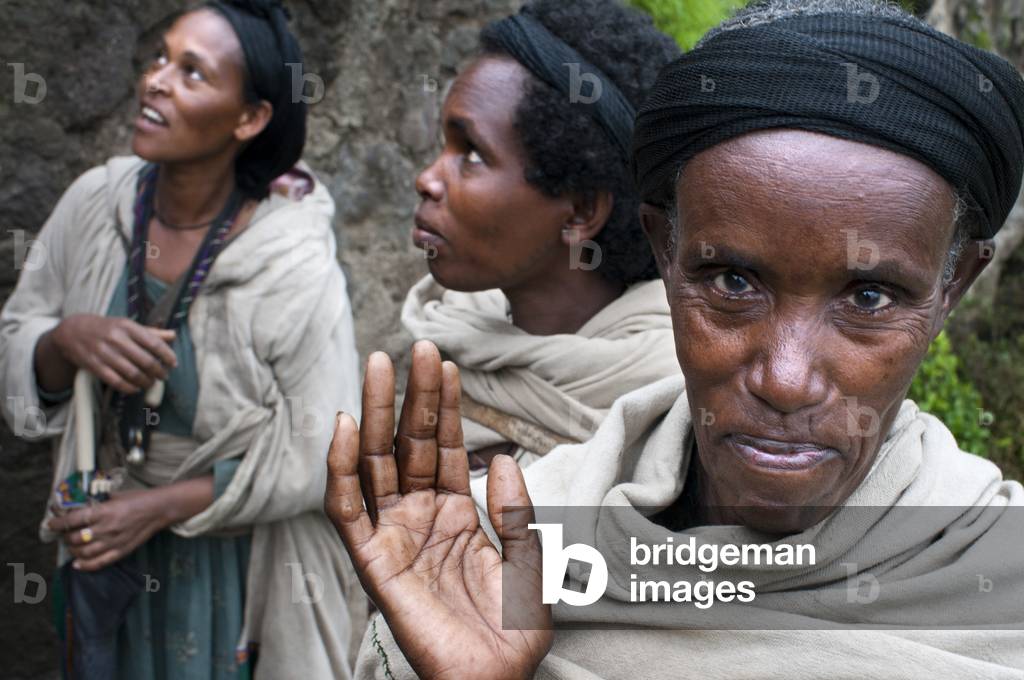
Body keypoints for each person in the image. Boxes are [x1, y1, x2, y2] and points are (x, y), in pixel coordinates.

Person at [324, 0, 1024, 678]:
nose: (784, 380)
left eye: (869, 298)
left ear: (953, 286)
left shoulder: (1003, 580)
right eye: (732, 284)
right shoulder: (500, 545)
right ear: (666, 251)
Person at [0, 1, 363, 678]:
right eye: (162, 57)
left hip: (235, 567)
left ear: (249, 118)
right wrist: (66, 341)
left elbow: (324, 445)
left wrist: (157, 507)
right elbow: (21, 333)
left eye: (192, 73)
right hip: (101, 542)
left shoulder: (289, 260)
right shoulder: (94, 205)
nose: (156, 81)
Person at [402, 0, 682, 475]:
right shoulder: (447, 336)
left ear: (580, 212)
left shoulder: (669, 405)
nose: (426, 179)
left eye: (471, 154)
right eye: (443, 146)